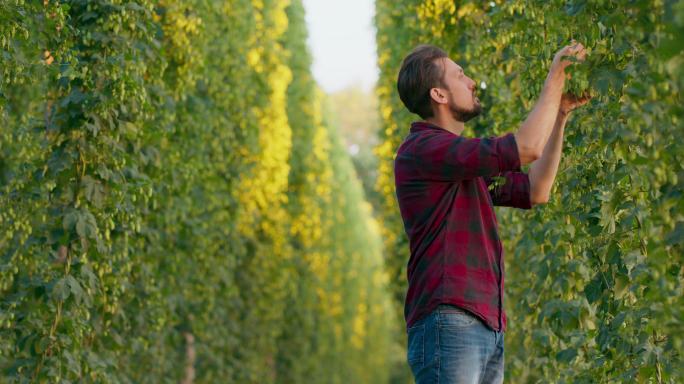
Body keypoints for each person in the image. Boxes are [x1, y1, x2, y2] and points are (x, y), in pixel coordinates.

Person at [393, 41, 590, 384]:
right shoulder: (423, 149)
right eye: (460, 75)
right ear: (438, 94)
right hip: (450, 319)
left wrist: (560, 113)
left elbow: (536, 189)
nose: (471, 81)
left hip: (486, 324)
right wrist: (555, 76)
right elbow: (526, 147)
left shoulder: (461, 165)